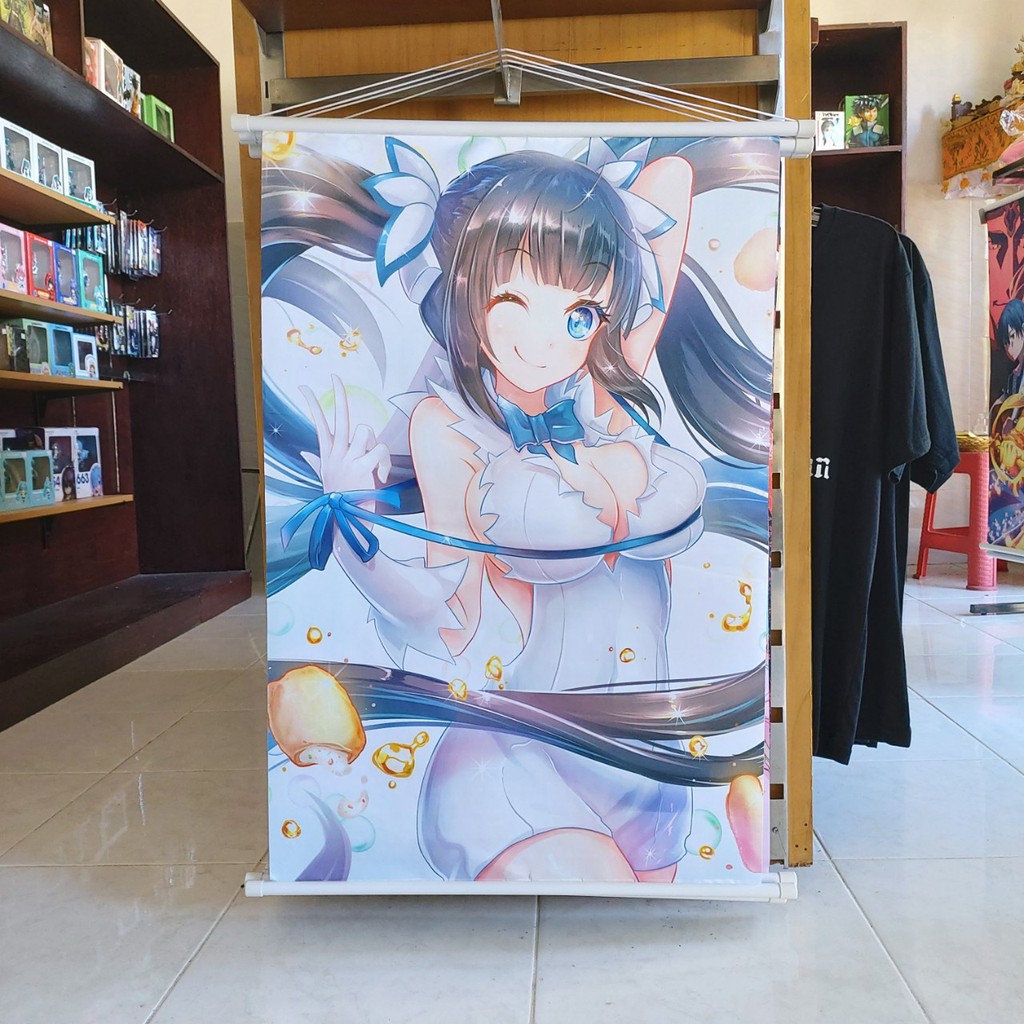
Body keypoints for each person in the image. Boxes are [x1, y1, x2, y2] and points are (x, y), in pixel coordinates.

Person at [264, 137, 777, 882]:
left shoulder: (605, 394)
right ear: (466, 296)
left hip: (641, 753)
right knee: (594, 895)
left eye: (578, 313)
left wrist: (571, 205)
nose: (546, 341)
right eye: (514, 303)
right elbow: (446, 610)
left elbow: (671, 182)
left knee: (636, 933)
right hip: (521, 751)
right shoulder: (447, 427)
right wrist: (349, 526)